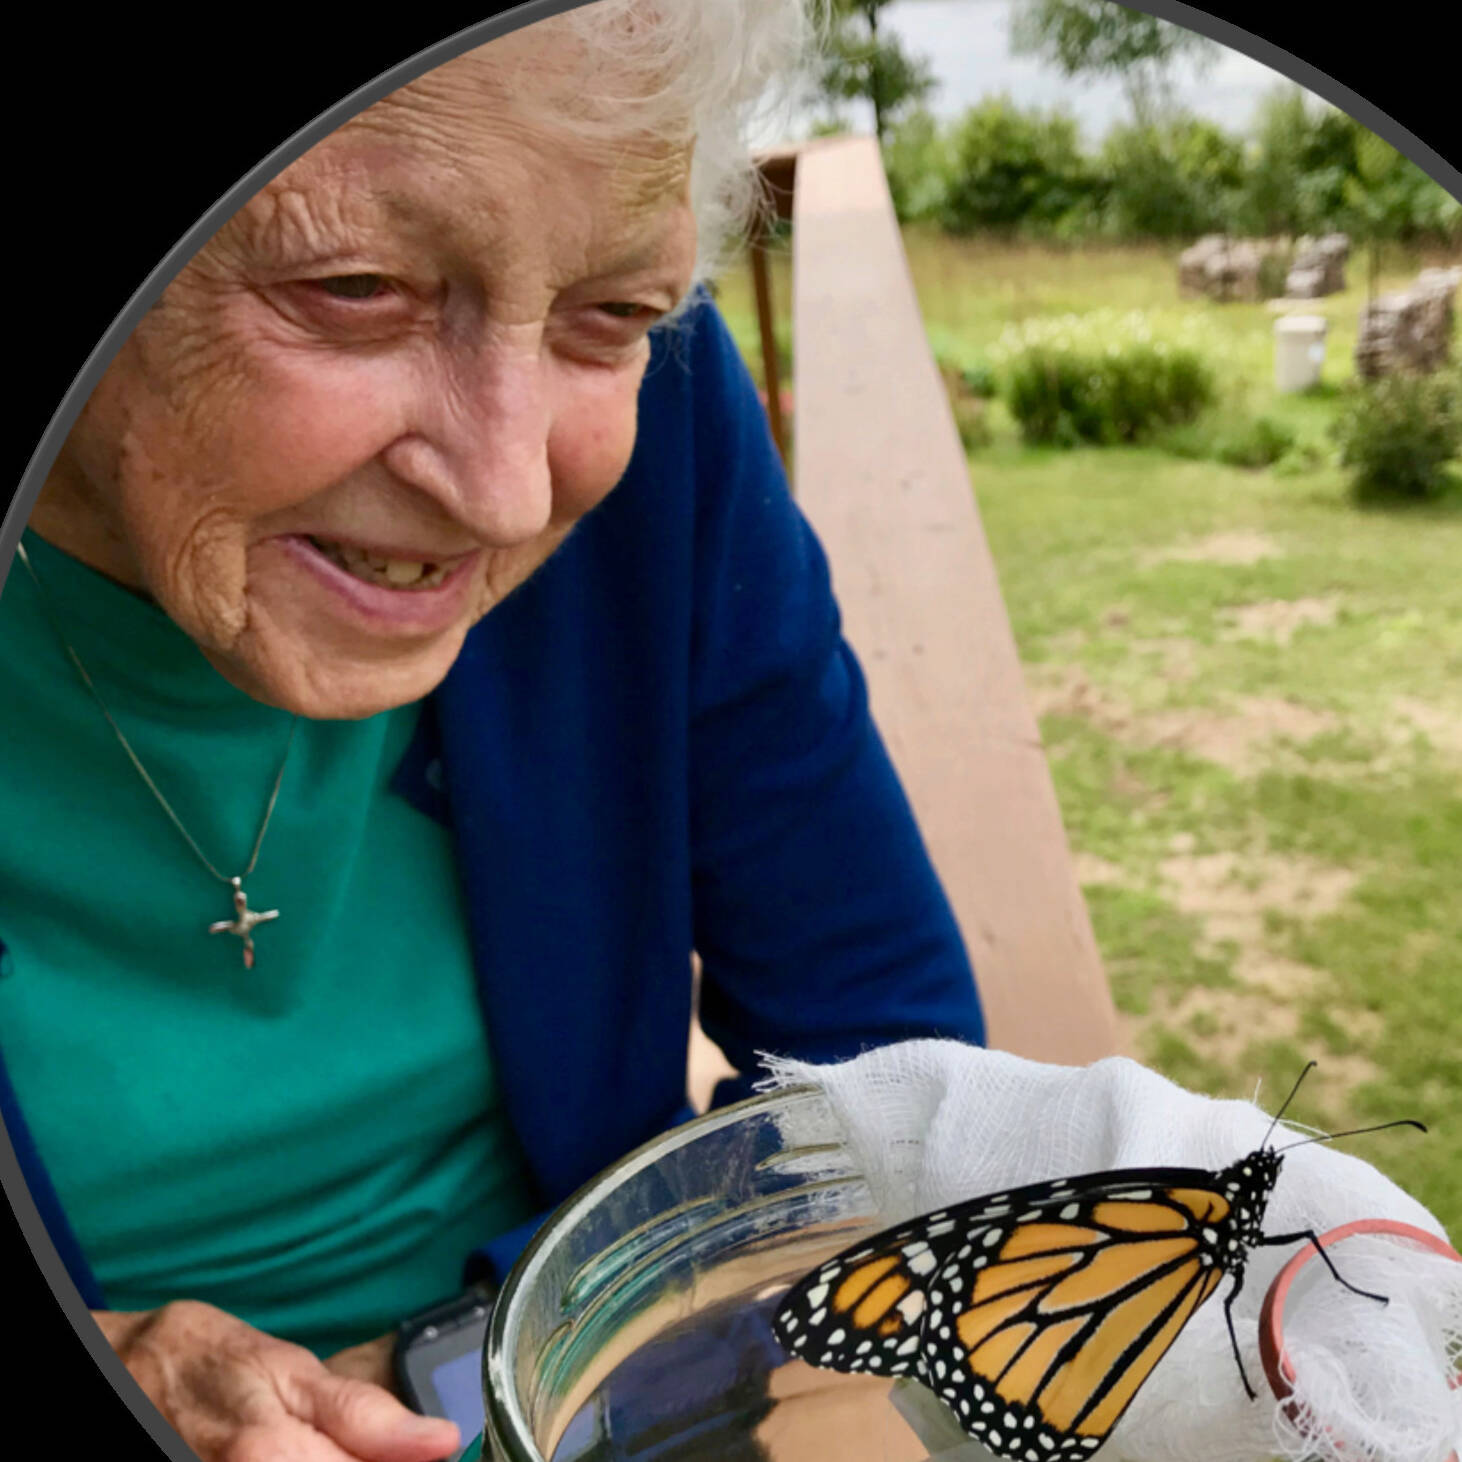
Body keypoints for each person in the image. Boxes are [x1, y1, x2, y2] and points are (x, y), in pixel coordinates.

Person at [0, 2, 985, 1459]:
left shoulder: (668, 421)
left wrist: (521, 1373)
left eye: (609, 315)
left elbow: (884, 1062)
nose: (510, 488)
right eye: (354, 286)